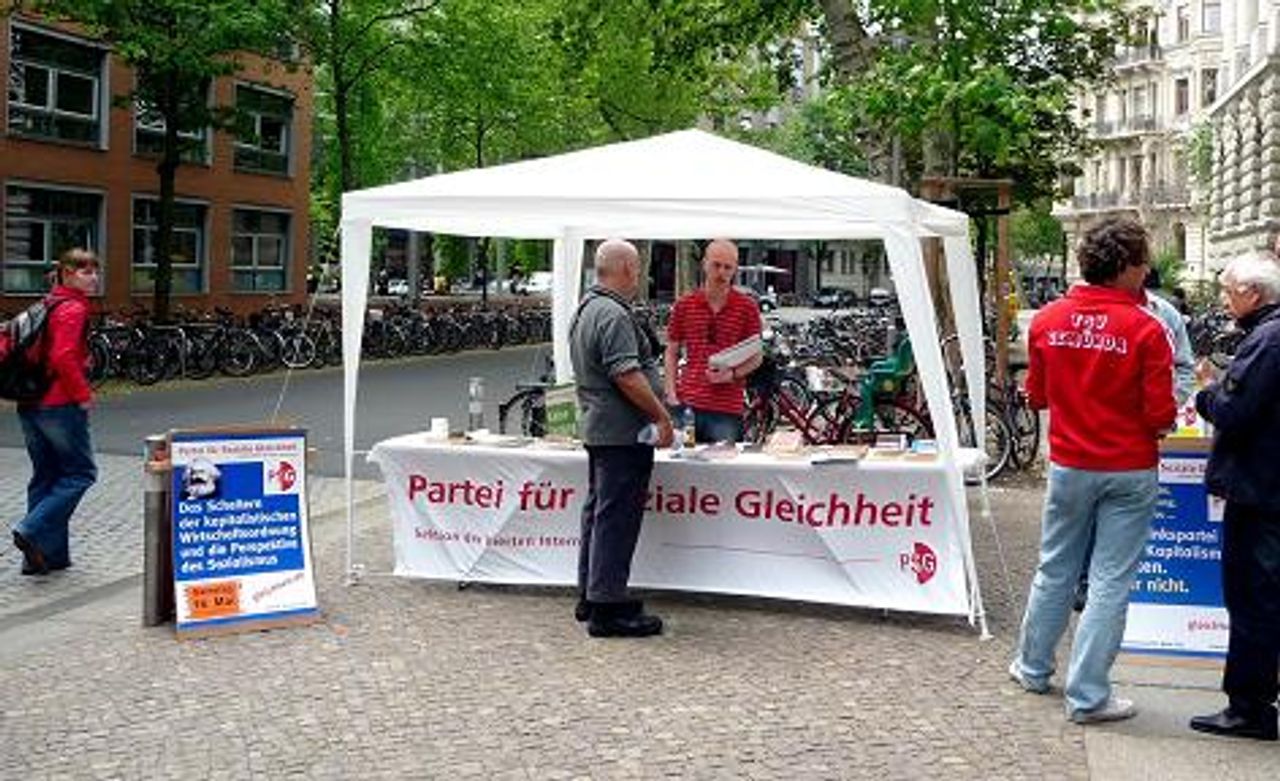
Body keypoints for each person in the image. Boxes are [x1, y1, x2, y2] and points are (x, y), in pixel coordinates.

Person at [1009, 216, 1175, 724]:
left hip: (1069, 463)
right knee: (1109, 581)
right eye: (1143, 263)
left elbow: (1036, 396)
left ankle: (1033, 667)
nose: (1146, 272)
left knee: (1054, 567)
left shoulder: (1048, 320)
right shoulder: (1147, 328)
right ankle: (1088, 696)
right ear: (1125, 267)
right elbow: (1160, 413)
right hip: (1129, 466)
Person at [1188, 251, 1280, 742]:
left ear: (1254, 294)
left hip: (1260, 490)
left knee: (1252, 598)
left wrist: (1207, 390)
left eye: (1229, 291)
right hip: (1264, 485)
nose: (1225, 300)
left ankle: (1249, 706)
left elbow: (1234, 411)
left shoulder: (1267, 339)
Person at [1072, 265, 1195, 610]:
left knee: (1119, 526)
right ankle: (1086, 581)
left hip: (1137, 441)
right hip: (1085, 441)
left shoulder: (1163, 315)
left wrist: (1165, 410)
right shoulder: (1080, 314)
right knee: (1085, 522)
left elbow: (1183, 367)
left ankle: (1120, 585)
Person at [569, 239, 674, 638]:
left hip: (600, 428)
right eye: (639, 268)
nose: (640, 276)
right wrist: (661, 416)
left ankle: (593, 594)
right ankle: (607, 609)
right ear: (628, 269)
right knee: (616, 519)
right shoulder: (613, 314)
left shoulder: (586, 309)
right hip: (621, 433)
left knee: (599, 514)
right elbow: (626, 375)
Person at [11, 248, 100, 576]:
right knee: (81, 474)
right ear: (67, 273)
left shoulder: (47, 303)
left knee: (46, 477)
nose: (93, 277)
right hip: (60, 404)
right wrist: (82, 394)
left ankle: (46, 557)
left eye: (95, 271)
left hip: (30, 401)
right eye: (85, 271)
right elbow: (63, 356)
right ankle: (30, 529)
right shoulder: (73, 308)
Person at [663, 239, 763, 442]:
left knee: (723, 463)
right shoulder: (684, 305)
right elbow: (671, 351)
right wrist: (670, 392)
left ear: (735, 269)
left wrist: (733, 374)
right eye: (716, 265)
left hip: (727, 409)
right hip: (688, 406)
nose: (721, 272)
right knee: (685, 461)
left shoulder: (747, 308)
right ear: (704, 264)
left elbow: (757, 356)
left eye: (728, 267)